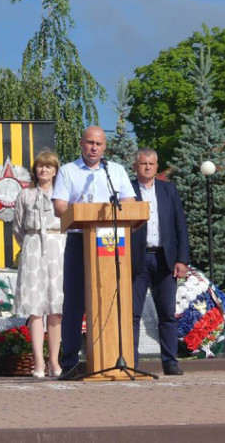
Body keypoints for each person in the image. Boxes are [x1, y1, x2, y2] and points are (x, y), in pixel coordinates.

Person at [52, 126, 135, 380]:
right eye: (90, 143)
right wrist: (82, 212)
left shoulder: (115, 171)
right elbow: (59, 206)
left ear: (105, 147)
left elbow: (130, 204)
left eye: (98, 144)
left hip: (111, 241)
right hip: (80, 241)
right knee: (75, 303)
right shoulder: (68, 171)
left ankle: (112, 356)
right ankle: (70, 363)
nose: (94, 148)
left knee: (112, 296)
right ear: (82, 143)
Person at [131, 148, 189, 376]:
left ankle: (170, 362)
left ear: (157, 167)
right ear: (136, 166)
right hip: (137, 259)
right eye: (143, 163)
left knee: (166, 312)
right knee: (132, 314)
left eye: (152, 164)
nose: (148, 167)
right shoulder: (127, 190)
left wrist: (182, 259)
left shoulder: (168, 190)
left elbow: (180, 227)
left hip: (165, 258)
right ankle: (132, 363)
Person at [12, 149, 66, 378]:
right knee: (35, 310)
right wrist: (31, 244)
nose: (43, 170)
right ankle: (38, 363)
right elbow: (17, 228)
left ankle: (54, 361)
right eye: (40, 166)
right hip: (33, 247)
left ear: (55, 171)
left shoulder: (62, 195)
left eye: (49, 166)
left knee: (56, 309)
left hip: (57, 247)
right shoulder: (25, 196)